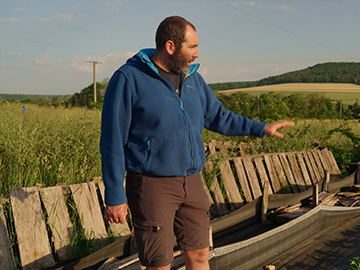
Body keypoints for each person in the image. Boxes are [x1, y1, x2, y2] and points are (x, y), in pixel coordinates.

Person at [100, 16, 294, 270]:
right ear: (171, 46)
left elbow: (219, 118)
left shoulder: (193, 79)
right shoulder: (129, 78)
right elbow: (113, 140)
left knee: (200, 255)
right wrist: (115, 195)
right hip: (151, 185)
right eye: (192, 47)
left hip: (192, 183)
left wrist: (261, 128)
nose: (197, 53)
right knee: (159, 264)